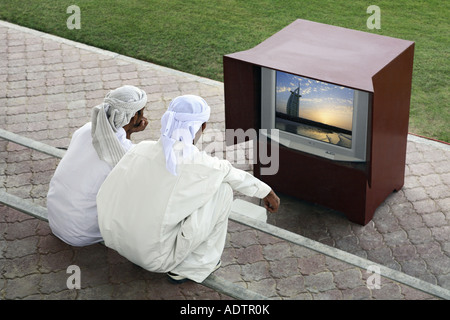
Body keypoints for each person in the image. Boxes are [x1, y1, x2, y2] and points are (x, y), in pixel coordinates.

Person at [96, 94, 280, 283]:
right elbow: (234, 175)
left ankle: (137, 245)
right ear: (202, 127)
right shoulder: (203, 165)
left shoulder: (141, 148)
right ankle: (192, 266)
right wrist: (268, 192)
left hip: (116, 241)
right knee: (223, 190)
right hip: (155, 259)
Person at [47, 85, 148, 247]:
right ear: (134, 117)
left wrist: (128, 131)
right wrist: (129, 133)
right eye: (142, 112)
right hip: (81, 232)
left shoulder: (86, 128)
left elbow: (116, 140)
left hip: (55, 217)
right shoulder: (127, 153)